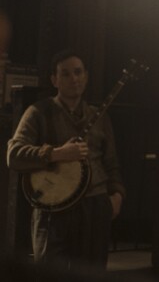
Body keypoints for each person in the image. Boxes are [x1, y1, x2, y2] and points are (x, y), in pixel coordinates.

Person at [7, 50, 126, 273]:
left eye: (79, 72)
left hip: (95, 208)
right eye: (66, 74)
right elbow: (13, 155)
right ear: (54, 80)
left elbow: (112, 163)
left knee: (92, 275)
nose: (74, 79)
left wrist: (117, 195)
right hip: (54, 210)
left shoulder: (99, 116)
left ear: (86, 76)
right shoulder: (38, 113)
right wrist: (57, 154)